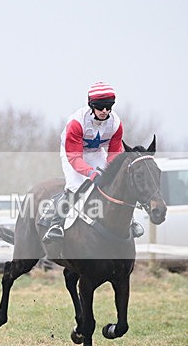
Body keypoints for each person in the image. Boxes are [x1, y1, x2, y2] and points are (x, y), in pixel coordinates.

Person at [43, 82, 143, 243]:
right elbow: (75, 158)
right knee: (76, 186)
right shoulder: (77, 122)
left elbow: (114, 153)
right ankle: (56, 225)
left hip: (96, 153)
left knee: (116, 183)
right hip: (73, 154)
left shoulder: (116, 124)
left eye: (109, 107)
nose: (105, 111)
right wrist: (90, 172)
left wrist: (111, 171)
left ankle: (130, 222)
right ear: (91, 105)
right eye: (100, 107)